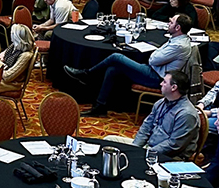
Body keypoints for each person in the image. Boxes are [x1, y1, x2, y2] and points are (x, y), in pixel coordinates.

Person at [65, 14, 197, 117]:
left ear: (178, 28)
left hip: (158, 78)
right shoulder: (179, 39)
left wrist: (155, 54)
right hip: (155, 71)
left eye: (171, 22)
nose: (169, 24)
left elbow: (152, 59)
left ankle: (87, 74)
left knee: (116, 57)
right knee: (113, 69)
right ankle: (100, 107)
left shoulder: (179, 45)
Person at [105, 70, 200, 160]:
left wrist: (146, 153)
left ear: (174, 87)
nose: (161, 84)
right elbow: (146, 126)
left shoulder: (186, 114)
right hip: (148, 147)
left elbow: (173, 145)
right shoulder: (161, 102)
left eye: (164, 82)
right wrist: (135, 148)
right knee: (108, 141)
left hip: (168, 157)